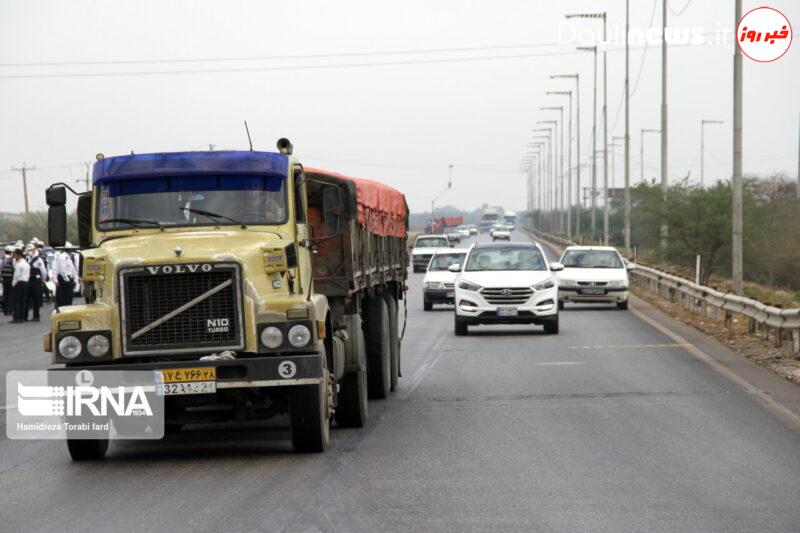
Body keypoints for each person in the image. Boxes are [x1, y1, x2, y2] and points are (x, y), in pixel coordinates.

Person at [27, 243, 46, 321]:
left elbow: (43, 271)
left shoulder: (38, 259)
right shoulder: (27, 258)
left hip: (36, 281)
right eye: (28, 250)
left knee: (36, 299)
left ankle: (36, 316)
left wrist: (43, 280)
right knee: (28, 299)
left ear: (34, 250)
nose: (29, 252)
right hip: (29, 281)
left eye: (31, 250)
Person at [11, 249, 30, 323]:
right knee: (23, 301)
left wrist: (13, 284)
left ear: (19, 255)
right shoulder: (26, 263)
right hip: (26, 283)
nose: (14, 257)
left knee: (17, 301)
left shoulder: (19, 264)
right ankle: (22, 317)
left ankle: (17, 317)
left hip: (19, 283)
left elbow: (16, 276)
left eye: (15, 255)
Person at [1, 245, 13, 315]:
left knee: (5, 294)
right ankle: (9, 309)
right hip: (10, 278)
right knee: (10, 294)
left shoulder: (2, 259)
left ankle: (5, 309)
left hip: (4, 279)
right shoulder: (11, 259)